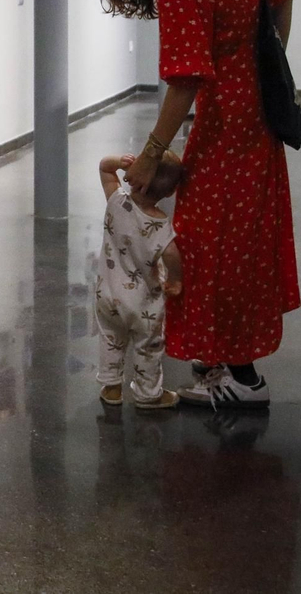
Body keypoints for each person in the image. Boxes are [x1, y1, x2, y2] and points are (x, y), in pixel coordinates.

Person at [82, 0, 297, 409]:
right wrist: (266, 70)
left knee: (208, 243)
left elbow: (185, 77)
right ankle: (224, 363)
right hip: (255, 116)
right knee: (237, 240)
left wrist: (150, 154)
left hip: (225, 123)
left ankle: (242, 379)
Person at [95, 151, 185, 410]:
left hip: (107, 294)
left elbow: (104, 169)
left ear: (135, 176)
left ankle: (111, 387)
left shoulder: (116, 201)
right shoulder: (160, 224)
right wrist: (176, 281)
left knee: (111, 337)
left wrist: (119, 163)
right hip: (143, 302)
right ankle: (148, 394)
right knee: (148, 347)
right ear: (169, 193)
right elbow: (171, 254)